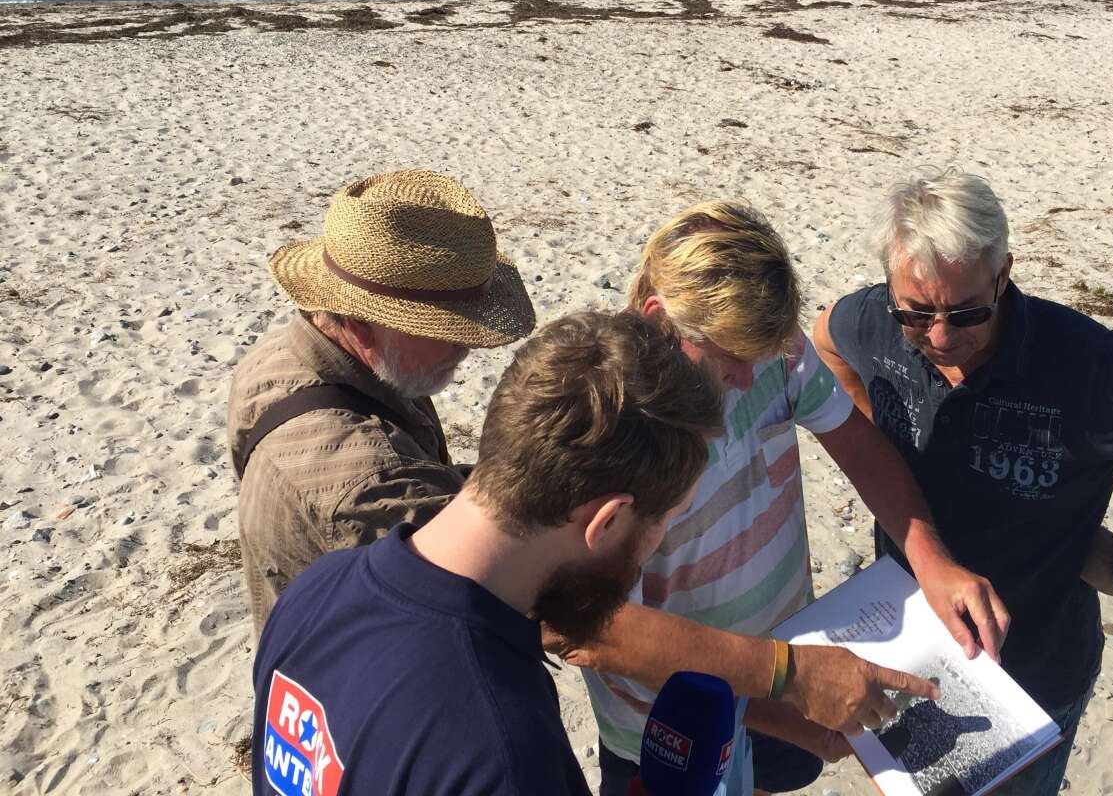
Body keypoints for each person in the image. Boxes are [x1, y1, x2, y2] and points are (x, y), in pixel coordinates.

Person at [814, 167, 1113, 794]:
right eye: (917, 313)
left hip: (1033, 671)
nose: (940, 336)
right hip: (904, 637)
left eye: (967, 312)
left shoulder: (1094, 368)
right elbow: (824, 340)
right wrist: (878, 448)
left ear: (1004, 275)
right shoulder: (872, 320)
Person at [566, 202, 1008, 795]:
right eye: (733, 361)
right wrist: (780, 694)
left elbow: (855, 442)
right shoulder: (608, 438)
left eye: (763, 357)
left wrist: (932, 560)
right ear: (657, 320)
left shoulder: (768, 344)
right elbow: (595, 631)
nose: (751, 381)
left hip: (789, 664)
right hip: (673, 723)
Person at [251, 310, 725, 796]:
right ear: (606, 521)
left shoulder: (316, 588)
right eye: (667, 517)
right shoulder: (502, 747)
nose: (660, 541)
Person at [228, 169, 536, 632]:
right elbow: (501, 590)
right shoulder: (373, 478)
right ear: (359, 324)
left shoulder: (278, 356)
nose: (466, 345)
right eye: (443, 328)